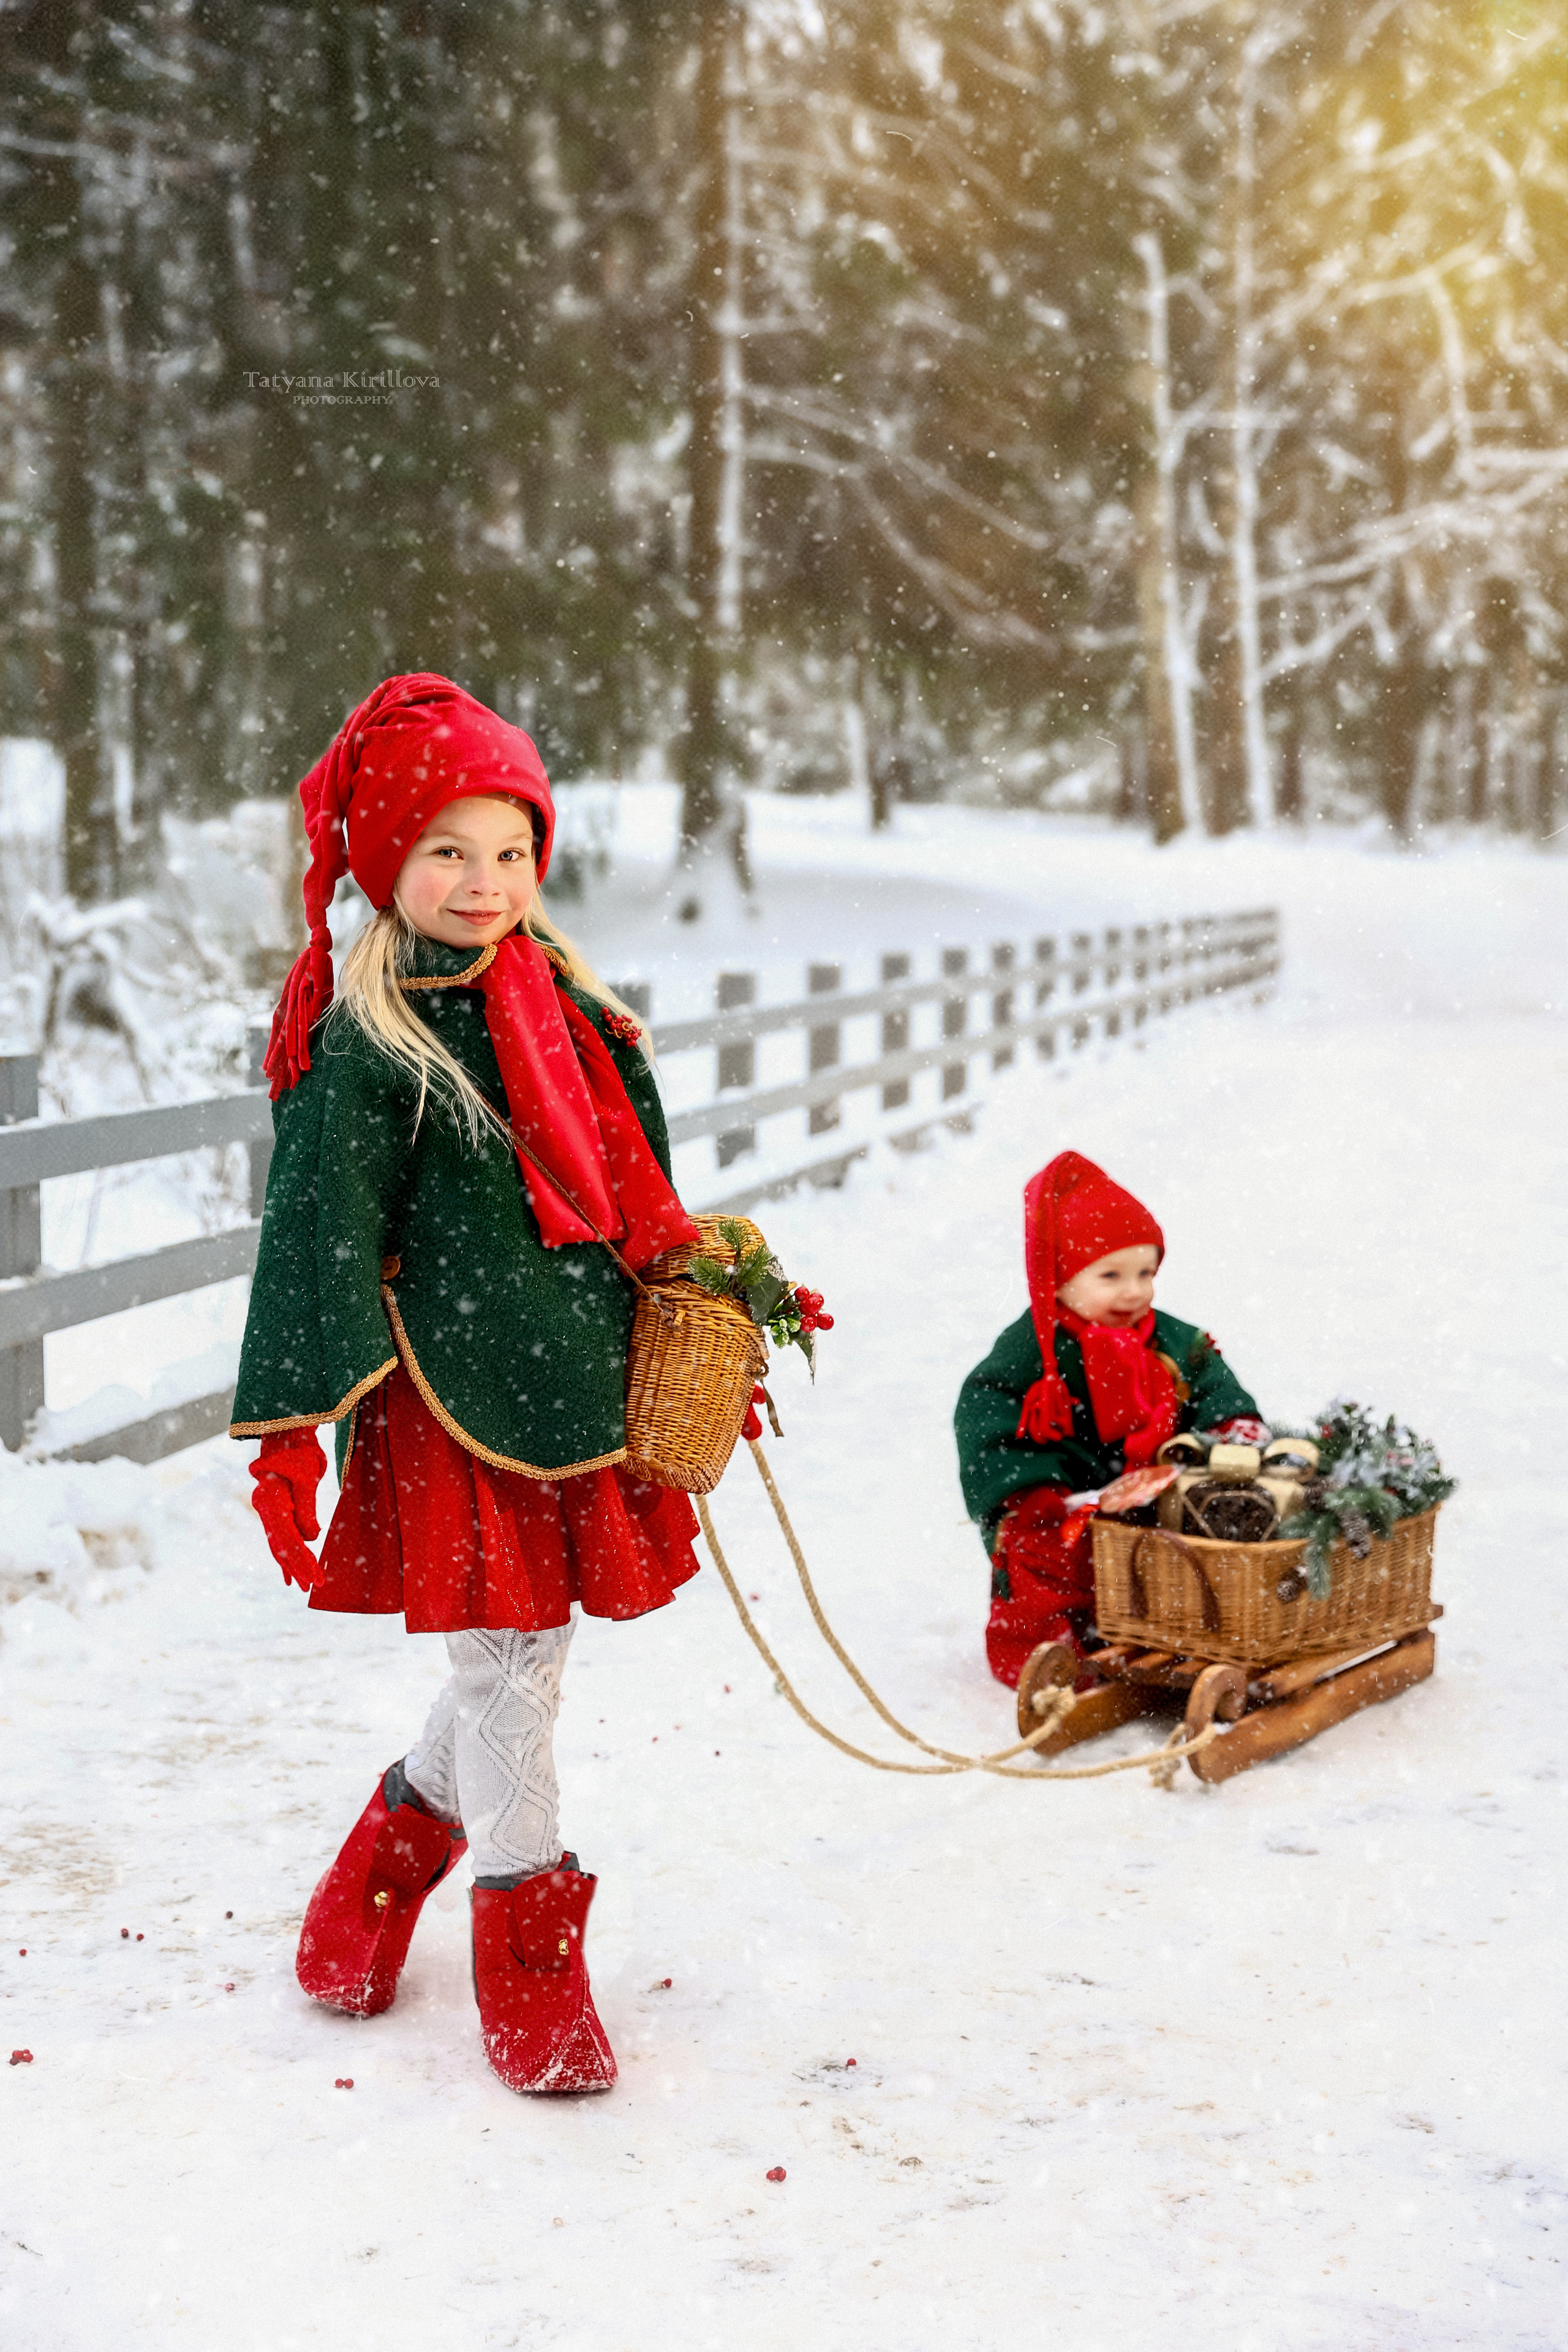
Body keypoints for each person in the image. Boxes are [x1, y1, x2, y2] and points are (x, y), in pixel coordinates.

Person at [231, 673, 703, 2095]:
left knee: (526, 1654)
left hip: (570, 1381)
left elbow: (634, 1179)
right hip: (448, 1395)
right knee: (507, 1660)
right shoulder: (373, 1039)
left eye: (508, 850)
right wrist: (297, 1418)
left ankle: (371, 1884)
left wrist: (693, 1284)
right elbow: (313, 1228)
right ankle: (528, 1959)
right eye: (447, 850)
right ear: (386, 862)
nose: (484, 881)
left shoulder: (564, 1004)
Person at [954, 1151, 1265, 1689]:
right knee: (1046, 1557)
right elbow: (986, 1408)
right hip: (1066, 1501)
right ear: (1059, 1280)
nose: (1135, 1291)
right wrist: (1029, 1490)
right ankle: (1058, 1653)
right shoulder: (1033, 1350)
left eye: (1147, 1272)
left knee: (1196, 1545)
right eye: (1111, 1275)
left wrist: (1229, 1421)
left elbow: (1209, 1376)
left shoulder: (1168, 1337)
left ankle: (1184, 1633)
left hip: (1156, 1489)